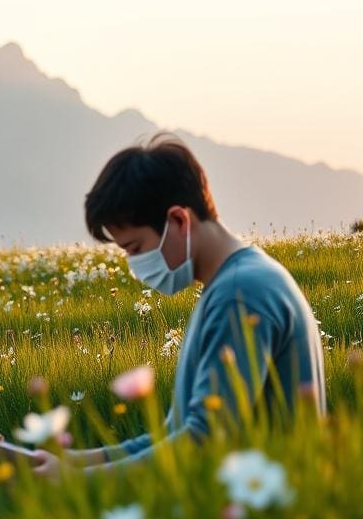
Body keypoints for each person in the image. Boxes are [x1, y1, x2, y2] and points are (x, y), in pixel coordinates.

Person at [31, 132, 327, 478]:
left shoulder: (239, 293)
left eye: (136, 248)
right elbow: (176, 433)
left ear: (179, 221)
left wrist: (80, 481)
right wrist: (78, 463)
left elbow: (206, 437)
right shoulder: (233, 284)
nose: (135, 265)